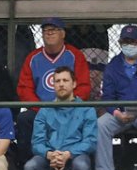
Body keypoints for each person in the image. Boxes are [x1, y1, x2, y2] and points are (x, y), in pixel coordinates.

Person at [23, 66, 96, 170]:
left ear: (74, 84)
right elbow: (37, 142)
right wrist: (50, 154)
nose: (61, 84)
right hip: (49, 158)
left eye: (65, 80)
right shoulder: (44, 110)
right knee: (30, 167)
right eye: (57, 81)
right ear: (53, 85)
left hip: (75, 157)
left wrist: (68, 154)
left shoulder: (86, 109)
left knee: (82, 167)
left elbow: (90, 141)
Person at [16, 18, 90, 155]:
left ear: (63, 34)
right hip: (41, 110)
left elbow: (84, 86)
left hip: (70, 109)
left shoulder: (75, 55)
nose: (49, 33)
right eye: (45, 30)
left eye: (53, 30)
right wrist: (42, 109)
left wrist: (68, 105)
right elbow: (24, 88)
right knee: (24, 119)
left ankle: (78, 161)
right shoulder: (33, 57)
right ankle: (27, 163)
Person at [57, 0, 111, 96]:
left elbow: (109, 19)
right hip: (73, 44)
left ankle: (93, 116)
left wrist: (90, 23)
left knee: (91, 87)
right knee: (73, 85)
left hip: (95, 44)